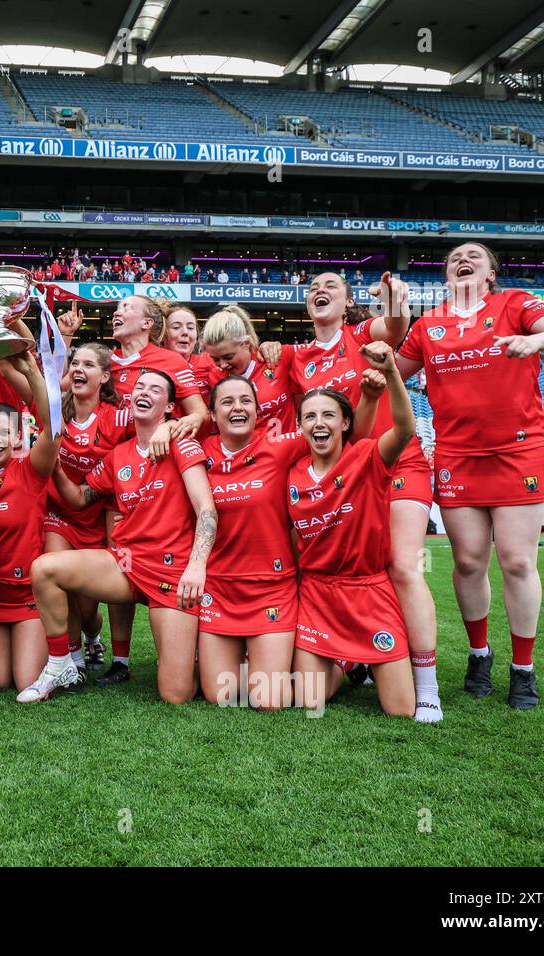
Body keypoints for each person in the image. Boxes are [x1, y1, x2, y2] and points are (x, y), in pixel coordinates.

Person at [396, 242, 544, 709]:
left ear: (492, 273)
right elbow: (392, 374)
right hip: (458, 457)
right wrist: (381, 334)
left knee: (518, 562)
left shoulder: (515, 304)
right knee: (468, 562)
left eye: (475, 256)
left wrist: (536, 340)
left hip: (520, 452)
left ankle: (523, 667)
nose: (464, 259)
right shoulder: (427, 324)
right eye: (455, 257)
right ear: (444, 274)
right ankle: (479, 654)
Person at [265, 270, 441, 721]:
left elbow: (396, 328)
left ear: (347, 304)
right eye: (312, 289)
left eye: (332, 287)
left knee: (401, 565)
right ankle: (349, 654)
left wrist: (396, 299)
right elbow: (263, 380)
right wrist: (263, 348)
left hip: (392, 461)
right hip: (344, 470)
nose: (320, 292)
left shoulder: (360, 333)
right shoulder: (296, 355)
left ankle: (425, 684)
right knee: (345, 561)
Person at [26, 370, 217, 704]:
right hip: (126, 564)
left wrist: (197, 566)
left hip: (172, 573)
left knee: (176, 694)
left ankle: (202, 657)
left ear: (170, 406)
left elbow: (206, 510)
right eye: (139, 386)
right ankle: (60, 665)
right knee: (45, 569)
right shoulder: (120, 455)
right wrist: (56, 470)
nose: (143, 392)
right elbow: (81, 497)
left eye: (155, 389)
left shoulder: (182, 443)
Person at [289, 343, 416, 717]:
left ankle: (366, 659)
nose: (319, 423)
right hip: (318, 595)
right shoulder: (292, 474)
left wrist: (391, 372)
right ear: (301, 427)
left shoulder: (368, 457)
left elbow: (406, 428)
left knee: (400, 711)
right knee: (308, 702)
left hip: (368, 592)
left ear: (346, 423)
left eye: (329, 415)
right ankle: (347, 664)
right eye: (309, 417)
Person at [96, 294, 208, 688]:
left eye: (125, 308)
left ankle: (181, 649)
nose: (117, 313)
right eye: (116, 310)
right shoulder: (106, 362)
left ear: (147, 323)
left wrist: (169, 426)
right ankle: (120, 658)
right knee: (119, 561)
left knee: (160, 559)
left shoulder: (168, 362)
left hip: (160, 477)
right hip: (115, 476)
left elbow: (199, 413)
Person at [197, 375, 310, 711]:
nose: (238, 407)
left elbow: (335, 433)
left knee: (269, 701)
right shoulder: (199, 453)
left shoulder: (279, 445)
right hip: (219, 588)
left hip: (271, 588)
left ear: (258, 411)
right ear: (213, 415)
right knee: (221, 696)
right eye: (227, 402)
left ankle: (339, 667)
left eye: (246, 401)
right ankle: (255, 662)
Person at [43, 342, 132, 671]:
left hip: (101, 515)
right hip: (59, 513)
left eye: (88, 365)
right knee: (58, 578)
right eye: (75, 364)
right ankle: (73, 660)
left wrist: (167, 425)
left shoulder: (120, 417)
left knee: (87, 607)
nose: (78, 369)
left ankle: (98, 639)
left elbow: (156, 420)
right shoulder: (55, 412)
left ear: (105, 376)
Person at [0, 351, 62, 694]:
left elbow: (53, 427)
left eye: (4, 433)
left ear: (17, 437)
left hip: (27, 597)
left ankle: (75, 648)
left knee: (25, 680)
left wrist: (29, 370)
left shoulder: (29, 470)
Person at [192, 306, 296, 437]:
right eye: (215, 359)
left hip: (286, 452)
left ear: (246, 343)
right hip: (242, 456)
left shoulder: (276, 357)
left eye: (228, 357)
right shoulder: (210, 375)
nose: (222, 364)